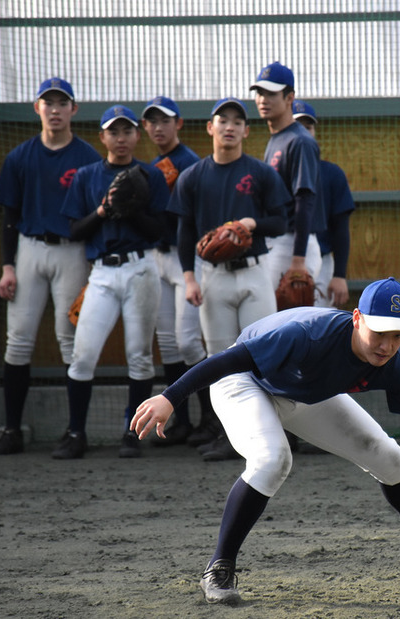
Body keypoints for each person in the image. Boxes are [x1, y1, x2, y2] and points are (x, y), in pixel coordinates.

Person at [130, 277, 400, 605]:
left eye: (398, 335)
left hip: (305, 394)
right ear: (357, 319)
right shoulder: (308, 334)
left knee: (390, 456)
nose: (387, 345)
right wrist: (170, 397)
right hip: (244, 382)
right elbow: (227, 362)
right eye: (379, 332)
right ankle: (219, 566)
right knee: (273, 459)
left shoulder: (398, 366)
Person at [166, 97, 290, 461]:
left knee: (265, 354)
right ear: (211, 128)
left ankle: (279, 433)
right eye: (223, 120)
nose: (230, 126)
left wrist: (251, 222)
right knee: (219, 360)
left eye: (238, 121)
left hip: (254, 272)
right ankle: (229, 437)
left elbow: (280, 222)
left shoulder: (262, 173)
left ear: (246, 131)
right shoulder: (192, 176)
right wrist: (189, 278)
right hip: (213, 278)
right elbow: (185, 232)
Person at [0, 77, 101, 456]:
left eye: (61, 102)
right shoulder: (20, 156)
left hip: (72, 251)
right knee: (18, 340)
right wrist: (7, 266)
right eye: (47, 103)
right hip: (29, 248)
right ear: (37, 108)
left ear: (73, 109)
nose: (54, 109)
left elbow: (97, 216)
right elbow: (9, 216)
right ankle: (11, 429)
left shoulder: (87, 157)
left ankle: (75, 432)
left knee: (71, 340)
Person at [53, 105, 170, 459]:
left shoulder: (150, 175)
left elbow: (160, 231)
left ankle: (131, 434)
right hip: (102, 272)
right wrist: (105, 210)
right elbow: (75, 231)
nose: (121, 138)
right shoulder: (87, 175)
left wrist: (132, 210)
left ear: (137, 135)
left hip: (140, 267)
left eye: (127, 131)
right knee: (83, 355)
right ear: (102, 137)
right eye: (113, 132)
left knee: (139, 355)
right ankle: (76, 433)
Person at [140, 96, 216, 449]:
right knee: (168, 342)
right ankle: (180, 422)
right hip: (159, 257)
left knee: (188, 341)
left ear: (179, 124)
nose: (158, 127)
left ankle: (210, 420)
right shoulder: (153, 165)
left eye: (165, 120)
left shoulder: (190, 165)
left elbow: (195, 219)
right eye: (152, 121)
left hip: (189, 259)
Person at [250, 62, 325, 293]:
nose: (263, 99)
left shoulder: (300, 141)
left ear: (289, 97)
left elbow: (305, 200)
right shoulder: (278, 137)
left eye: (272, 93)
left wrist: (298, 259)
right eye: (260, 92)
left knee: (284, 324)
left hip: (292, 244)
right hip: (278, 242)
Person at [292, 100, 355, 308]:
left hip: (322, 262)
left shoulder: (331, 173)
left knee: (319, 330)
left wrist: (339, 275)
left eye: (308, 127)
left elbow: (341, 228)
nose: (303, 133)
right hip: (282, 256)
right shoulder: (275, 168)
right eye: (297, 127)